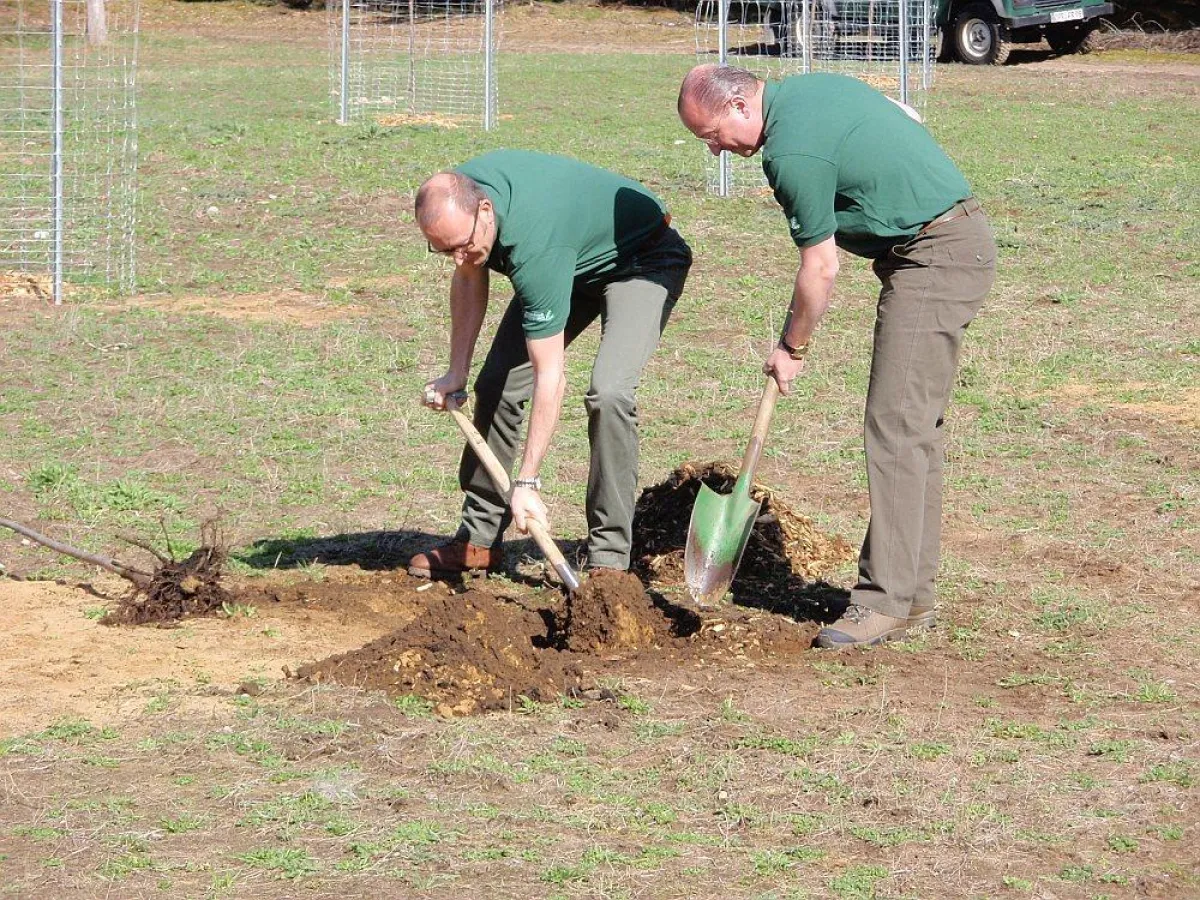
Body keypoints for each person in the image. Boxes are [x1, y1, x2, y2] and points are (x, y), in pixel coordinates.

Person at [677, 65, 996, 649]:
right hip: (948, 242)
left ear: (742, 106)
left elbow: (821, 267)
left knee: (896, 426)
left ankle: (885, 601)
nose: (717, 150)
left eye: (713, 134)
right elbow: (905, 117)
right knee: (912, 430)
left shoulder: (789, 155)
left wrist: (792, 347)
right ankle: (913, 594)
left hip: (934, 254)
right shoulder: (806, 90)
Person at [408, 149, 692, 580]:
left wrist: (527, 482)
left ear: (485, 210)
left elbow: (550, 376)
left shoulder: (532, 243)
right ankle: (478, 539)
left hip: (641, 260)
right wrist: (456, 371)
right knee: (498, 383)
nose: (459, 259)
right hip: (571, 259)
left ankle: (609, 560)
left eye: (464, 246)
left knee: (609, 393)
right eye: (444, 251)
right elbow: (468, 277)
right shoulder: (457, 199)